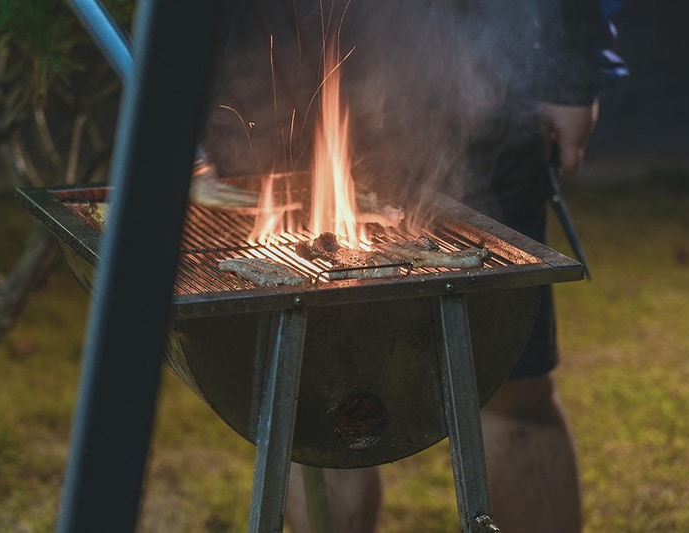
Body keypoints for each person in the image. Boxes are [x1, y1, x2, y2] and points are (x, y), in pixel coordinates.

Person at [207, 1, 625, 531]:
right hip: (283, 79)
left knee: (512, 390)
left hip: (472, 79)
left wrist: (573, 73)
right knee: (317, 403)